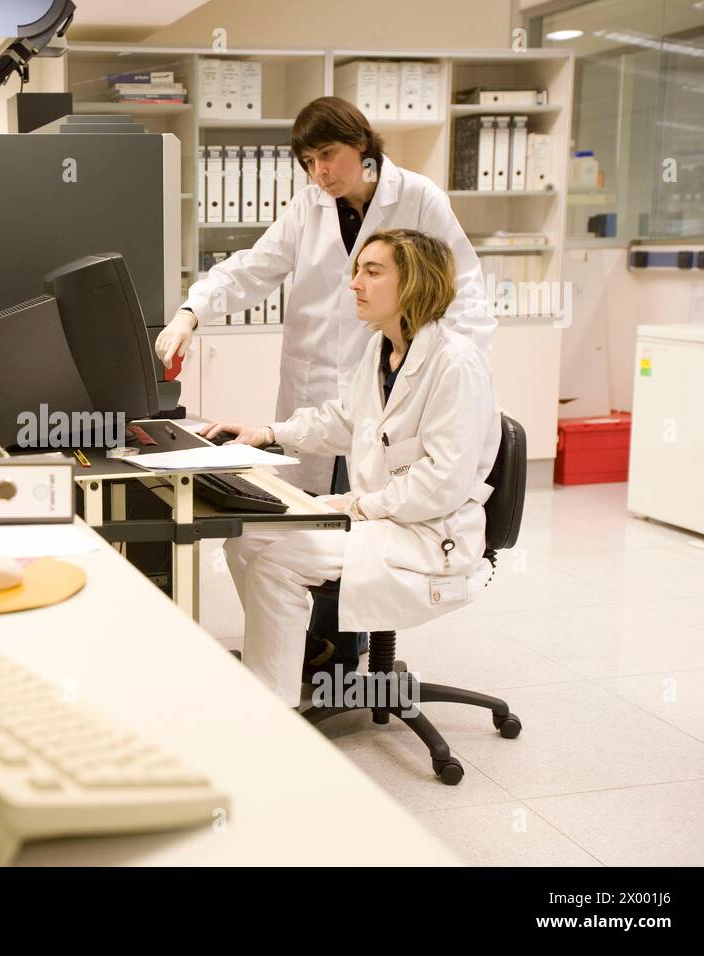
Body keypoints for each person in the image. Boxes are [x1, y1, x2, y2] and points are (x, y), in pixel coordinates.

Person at [155, 95, 495, 673]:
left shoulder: (416, 199)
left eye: (329, 156)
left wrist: (436, 367)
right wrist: (193, 311)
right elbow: (251, 268)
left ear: (361, 143)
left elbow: (461, 284)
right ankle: (305, 654)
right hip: (336, 383)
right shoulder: (311, 205)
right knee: (296, 522)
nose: (321, 173)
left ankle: (337, 659)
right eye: (309, 161)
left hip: (409, 388)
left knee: (339, 524)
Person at [197, 229, 501, 707]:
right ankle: (289, 657)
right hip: (385, 518)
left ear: (414, 283)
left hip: (429, 534)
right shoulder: (382, 350)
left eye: (372, 272)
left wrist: (356, 505)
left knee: (277, 559)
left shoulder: (455, 366)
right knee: (246, 535)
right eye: (357, 270)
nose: (354, 283)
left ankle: (272, 712)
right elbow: (345, 420)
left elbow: (442, 483)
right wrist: (269, 433)